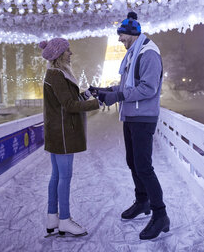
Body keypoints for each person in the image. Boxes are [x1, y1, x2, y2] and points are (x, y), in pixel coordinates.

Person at [89, 13, 170, 240]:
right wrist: (105, 91)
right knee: (132, 162)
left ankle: (160, 214)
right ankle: (142, 200)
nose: (119, 40)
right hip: (131, 117)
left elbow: (148, 89)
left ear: (132, 34)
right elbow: (126, 85)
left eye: (122, 35)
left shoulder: (149, 54)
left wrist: (118, 96)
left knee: (144, 166)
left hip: (144, 118)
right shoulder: (133, 54)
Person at [39, 38, 100, 237]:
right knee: (64, 177)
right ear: (58, 55)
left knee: (56, 176)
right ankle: (64, 219)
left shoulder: (57, 74)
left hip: (58, 132)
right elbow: (70, 106)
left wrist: (87, 94)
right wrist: (97, 103)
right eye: (67, 51)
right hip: (63, 133)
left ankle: (52, 217)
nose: (70, 54)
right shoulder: (57, 75)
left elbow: (69, 101)